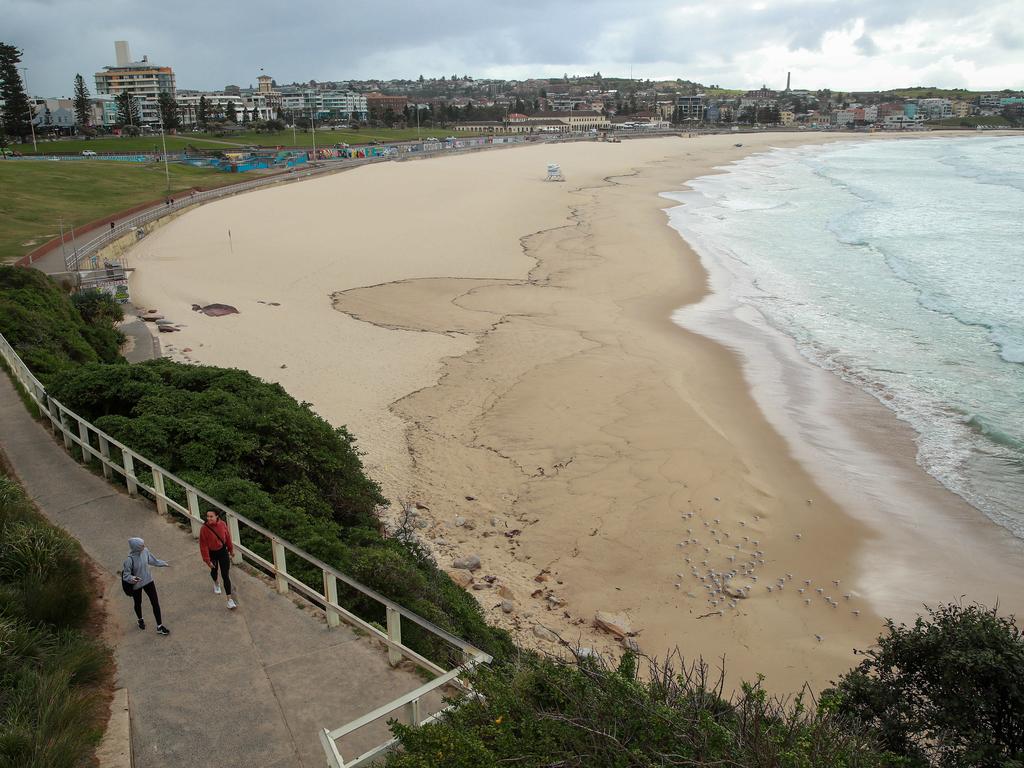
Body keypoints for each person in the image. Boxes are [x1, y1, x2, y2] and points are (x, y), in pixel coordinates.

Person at [122, 537, 170, 635]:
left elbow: (153, 561)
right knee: (138, 603)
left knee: (155, 602)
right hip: (137, 585)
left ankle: (159, 626)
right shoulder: (129, 560)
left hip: (148, 580)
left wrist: (163, 563)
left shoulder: (145, 551)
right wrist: (133, 579)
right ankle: (140, 619)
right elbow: (126, 576)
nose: (144, 546)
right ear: (136, 547)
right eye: (141, 545)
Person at [199, 510, 237, 609]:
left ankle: (229, 599)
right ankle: (216, 583)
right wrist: (207, 560)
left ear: (217, 516)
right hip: (212, 553)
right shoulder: (204, 529)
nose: (209, 518)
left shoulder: (222, 524)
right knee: (214, 571)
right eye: (207, 516)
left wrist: (231, 549)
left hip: (222, 551)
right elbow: (203, 545)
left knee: (225, 575)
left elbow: (227, 537)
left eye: (211, 516)